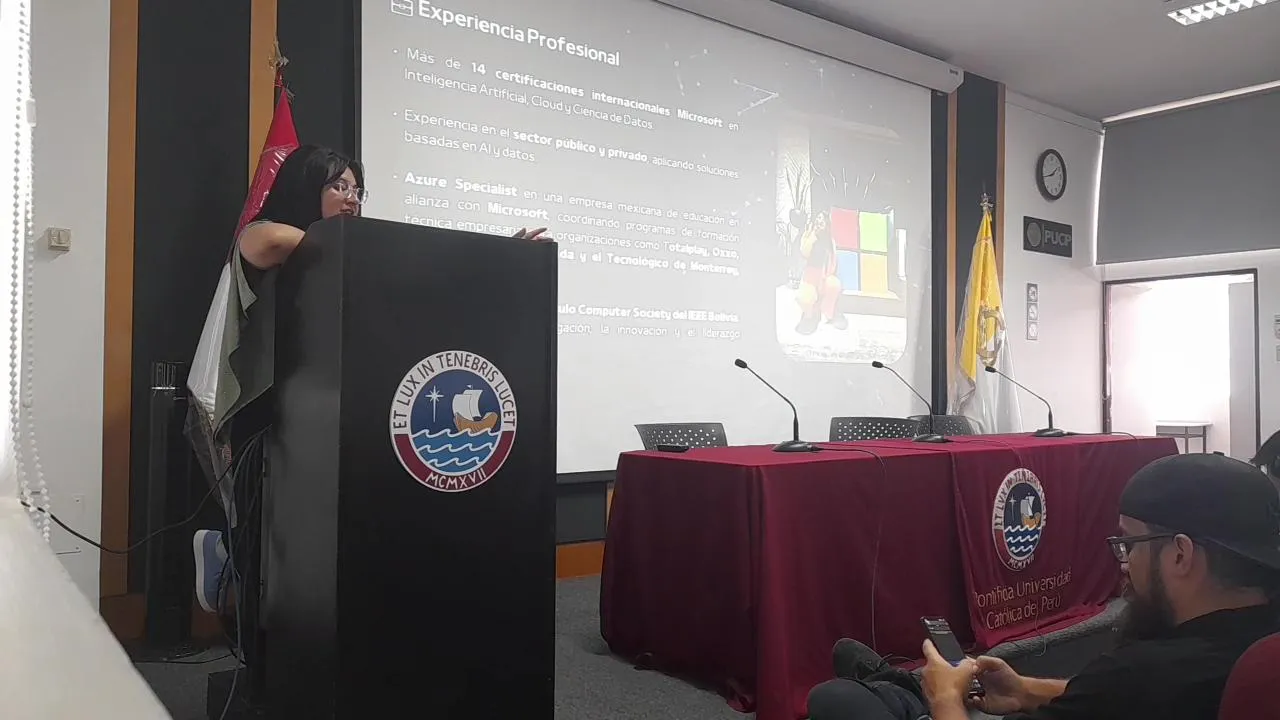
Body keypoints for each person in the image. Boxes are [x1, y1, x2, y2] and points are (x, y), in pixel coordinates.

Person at [188, 144, 549, 615]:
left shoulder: (352, 260)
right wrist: (362, 249)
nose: (352, 198)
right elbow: (269, 242)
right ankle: (231, 566)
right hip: (268, 414)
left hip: (334, 414)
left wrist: (495, 256)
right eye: (338, 186)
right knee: (267, 543)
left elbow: (417, 281)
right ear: (305, 188)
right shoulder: (264, 234)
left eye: (357, 190)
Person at [810, 453, 1280, 720]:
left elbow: (1125, 693)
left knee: (836, 700)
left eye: (1129, 543)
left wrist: (946, 700)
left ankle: (907, 698)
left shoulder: (1142, 675)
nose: (1124, 565)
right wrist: (1028, 690)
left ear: (1180, 555)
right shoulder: (1262, 644)